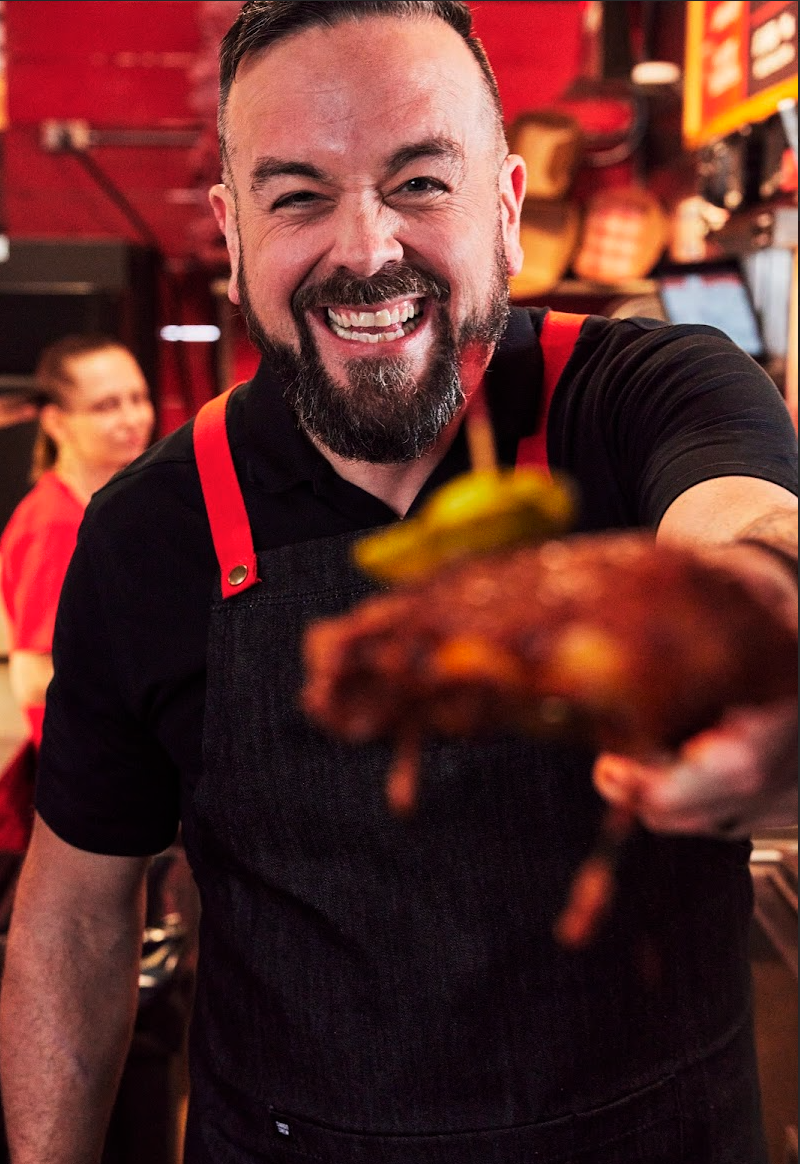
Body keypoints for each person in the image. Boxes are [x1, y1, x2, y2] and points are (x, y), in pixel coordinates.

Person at [0, 3, 796, 1162]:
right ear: (231, 233)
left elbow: (745, 526)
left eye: (420, 182)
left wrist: (763, 627)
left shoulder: (647, 394)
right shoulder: (148, 534)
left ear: (505, 210)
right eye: (297, 196)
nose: (366, 250)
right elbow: (75, 917)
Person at [0, 335, 154, 846]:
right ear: (56, 422)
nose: (133, 418)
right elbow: (33, 675)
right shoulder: (56, 523)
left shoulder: (103, 508)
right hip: (88, 777)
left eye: (137, 398)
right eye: (107, 406)